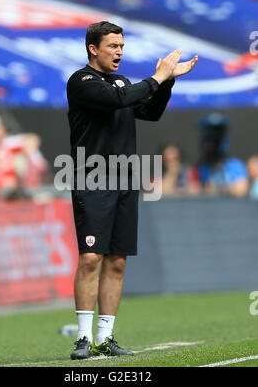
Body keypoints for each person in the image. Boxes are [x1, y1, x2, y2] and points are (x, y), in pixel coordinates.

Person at [66, 21, 198, 359]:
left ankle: (105, 337)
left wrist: (166, 84)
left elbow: (150, 112)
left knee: (118, 261)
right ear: (93, 49)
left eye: (121, 46)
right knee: (91, 256)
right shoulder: (81, 81)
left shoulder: (123, 82)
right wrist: (157, 78)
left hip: (126, 179)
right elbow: (118, 100)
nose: (119, 52)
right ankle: (82, 338)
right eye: (112, 46)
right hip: (92, 177)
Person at [197, 112, 248, 198]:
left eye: (211, 142)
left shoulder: (235, 165)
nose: (207, 145)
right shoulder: (202, 167)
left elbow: (241, 190)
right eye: (206, 141)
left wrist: (215, 189)